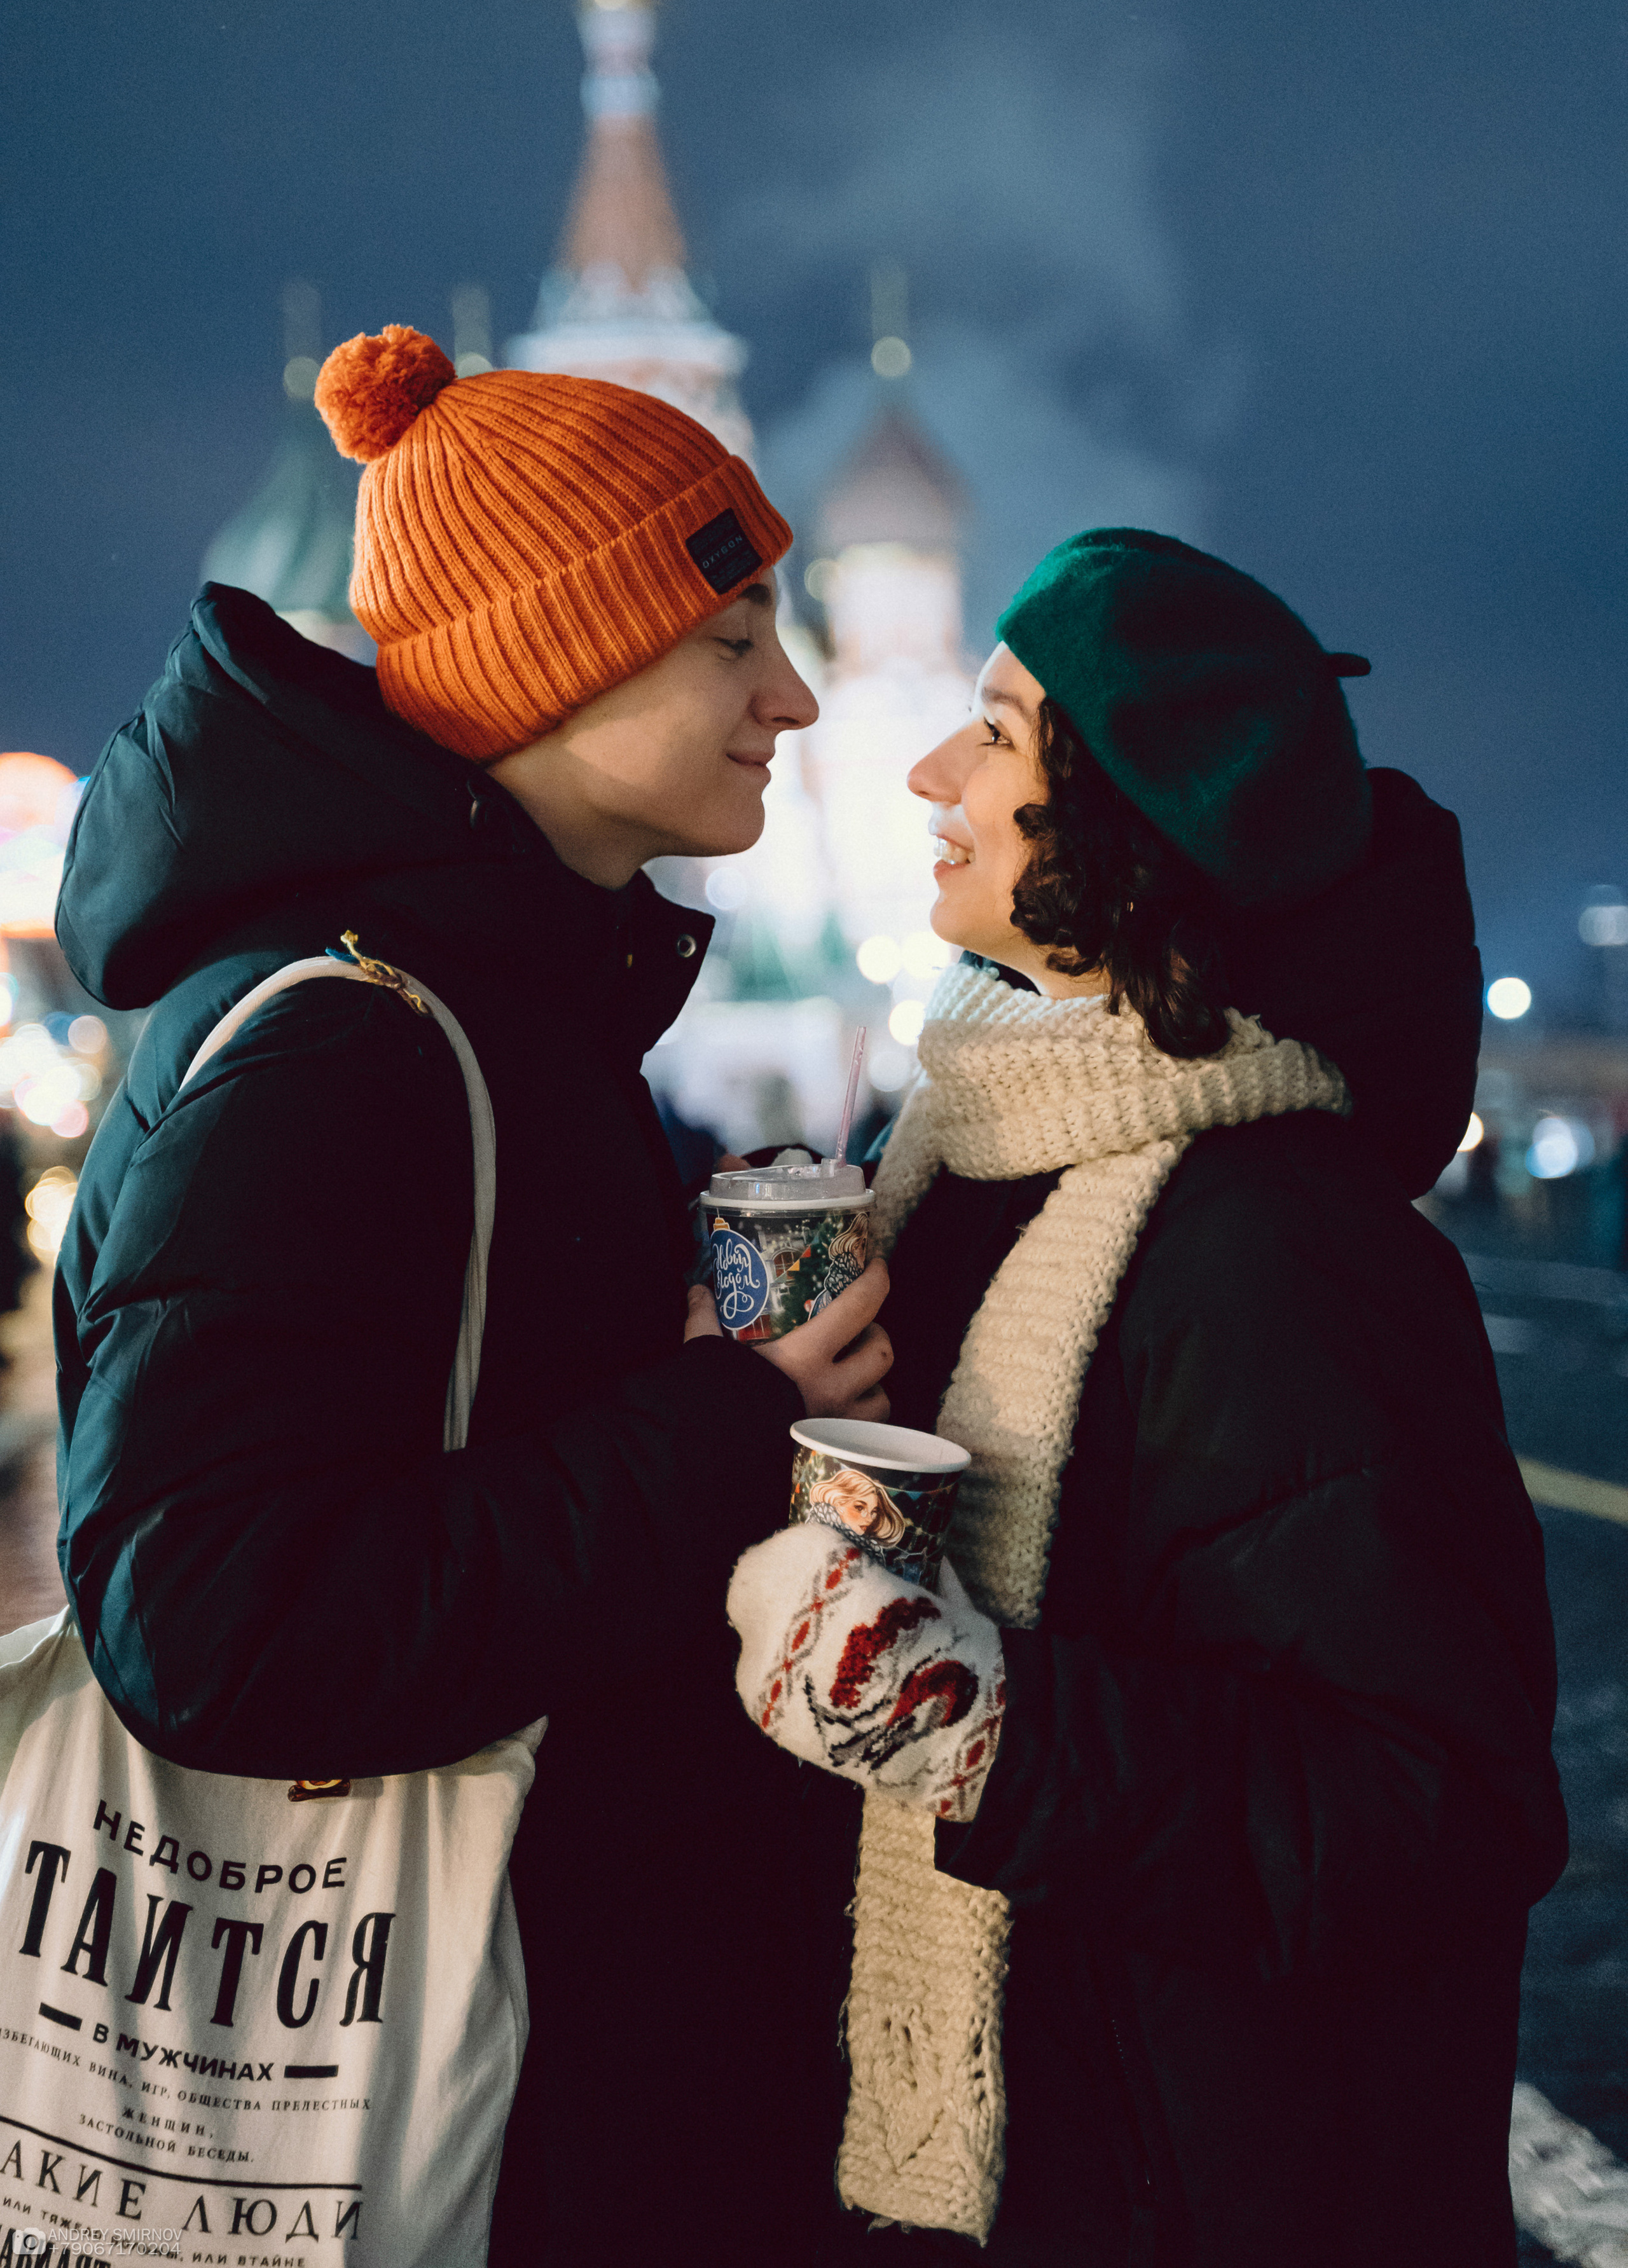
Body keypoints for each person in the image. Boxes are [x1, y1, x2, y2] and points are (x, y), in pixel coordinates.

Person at [52, 328, 889, 2265]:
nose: (796, 695)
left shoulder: (503, 996)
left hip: (557, 2021)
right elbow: (213, 1619)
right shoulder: (347, 1039)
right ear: (563, 657)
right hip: (457, 2055)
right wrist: (719, 1420)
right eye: (731, 638)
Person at [728, 528, 1567, 2267]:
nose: (927, 769)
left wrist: (987, 1724)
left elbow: (1437, 1809)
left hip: (1174, 2183)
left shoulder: (1287, 1253)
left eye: (1000, 735)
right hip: (998, 2157)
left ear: (1123, 824)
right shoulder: (959, 1152)